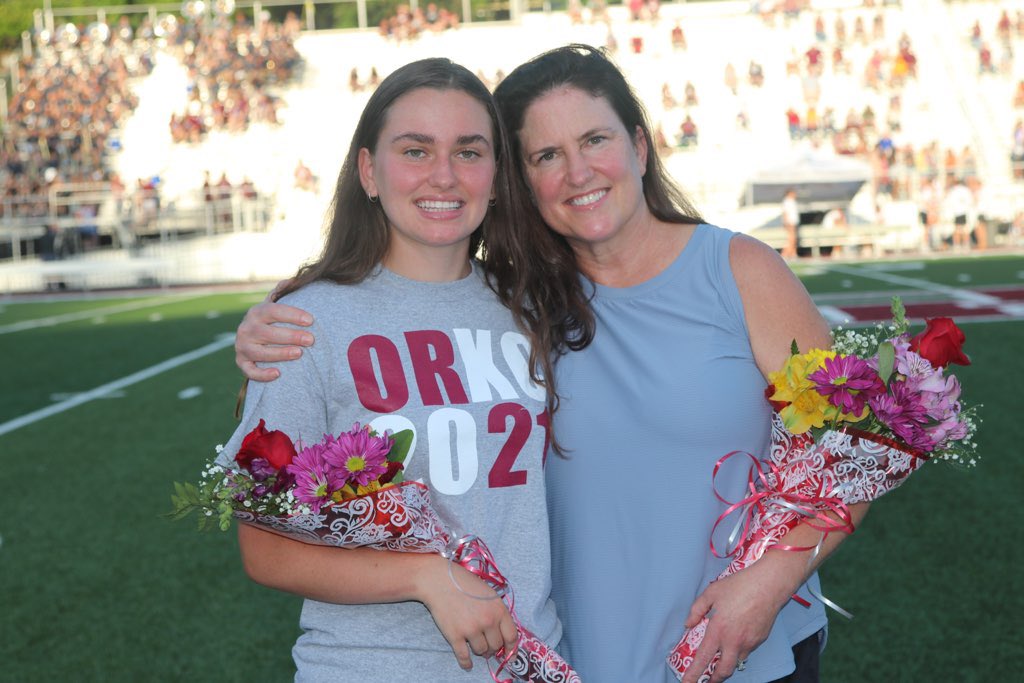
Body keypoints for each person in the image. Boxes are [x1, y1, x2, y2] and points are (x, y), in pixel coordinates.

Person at [235, 45, 867, 683]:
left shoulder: (714, 274)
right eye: (545, 156)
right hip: (553, 659)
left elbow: (861, 445)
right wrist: (276, 326)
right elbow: (266, 531)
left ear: (640, 148)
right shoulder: (521, 300)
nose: (577, 172)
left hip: (728, 645)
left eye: (595, 138)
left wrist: (766, 585)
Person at [219, 58, 583, 682]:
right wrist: (425, 576)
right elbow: (264, 548)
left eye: (469, 152)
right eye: (415, 150)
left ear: (497, 178)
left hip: (530, 663)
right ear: (368, 170)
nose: (443, 175)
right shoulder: (307, 325)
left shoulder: (535, 307)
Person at [781, 188, 800, 258]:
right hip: (790, 222)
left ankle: (793, 253)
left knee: (794, 239)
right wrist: (786, 222)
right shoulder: (787, 201)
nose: (795, 194)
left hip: (794, 222)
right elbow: (785, 213)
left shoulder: (792, 201)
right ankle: (785, 254)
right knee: (791, 239)